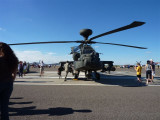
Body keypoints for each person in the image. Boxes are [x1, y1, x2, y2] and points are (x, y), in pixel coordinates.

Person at [0, 42, 19, 120]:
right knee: (5, 108)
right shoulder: (14, 60)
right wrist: (10, 82)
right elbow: (14, 75)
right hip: (9, 85)